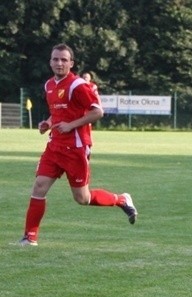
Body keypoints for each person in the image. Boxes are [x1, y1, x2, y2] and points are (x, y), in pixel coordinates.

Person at [17, 44, 137, 247]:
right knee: (39, 187)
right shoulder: (49, 85)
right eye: (55, 59)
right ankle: (30, 237)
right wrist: (48, 123)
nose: (59, 63)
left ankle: (122, 200)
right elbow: (58, 112)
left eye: (64, 60)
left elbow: (97, 112)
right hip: (54, 145)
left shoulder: (78, 85)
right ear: (50, 62)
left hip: (76, 148)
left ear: (71, 63)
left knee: (82, 198)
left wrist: (70, 125)